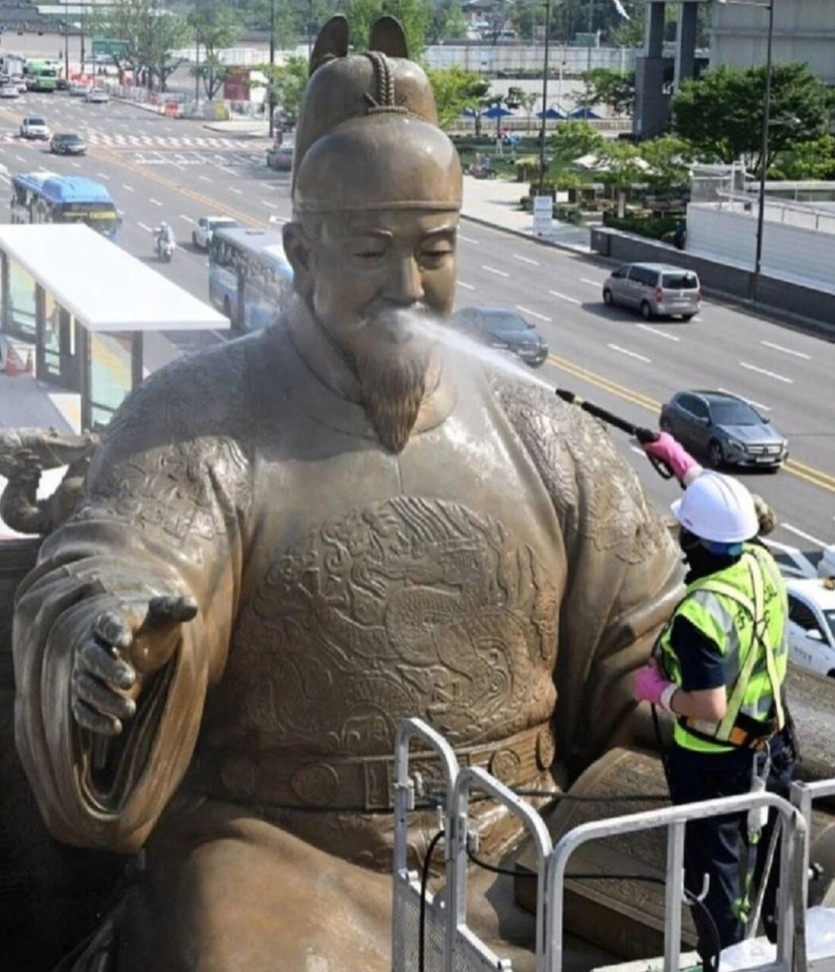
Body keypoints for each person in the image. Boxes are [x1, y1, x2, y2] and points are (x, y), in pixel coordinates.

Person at [14, 17, 682, 971]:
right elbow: (125, 562)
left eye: (434, 251)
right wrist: (113, 636)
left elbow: (638, 650)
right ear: (301, 251)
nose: (407, 285)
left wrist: (684, 698)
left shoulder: (546, 434)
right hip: (279, 849)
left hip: (525, 841)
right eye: (370, 253)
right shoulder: (203, 419)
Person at [633, 432, 796, 971]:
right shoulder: (760, 562)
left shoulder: (700, 613)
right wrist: (680, 461)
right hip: (771, 747)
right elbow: (731, 517)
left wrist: (657, 692)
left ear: (694, 540)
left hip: (713, 766)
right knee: (771, 873)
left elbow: (709, 707)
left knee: (714, 889)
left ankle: (724, 962)